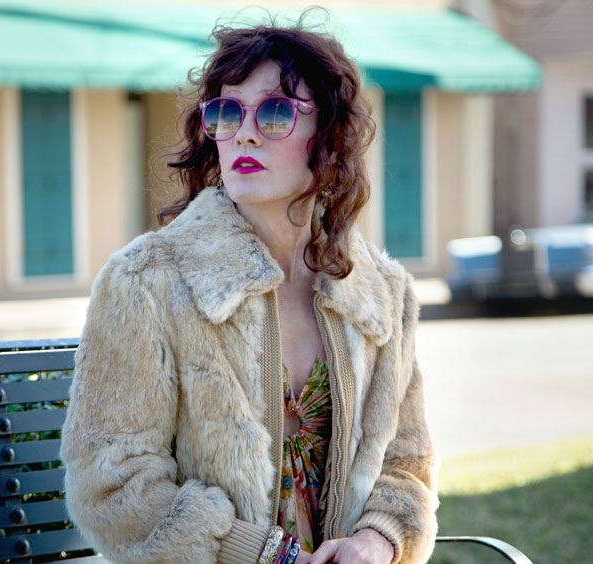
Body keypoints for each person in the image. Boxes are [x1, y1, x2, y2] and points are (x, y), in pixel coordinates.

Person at [60, 14, 438, 564]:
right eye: (227, 111)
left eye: (276, 111)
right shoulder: (147, 281)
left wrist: (375, 541)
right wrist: (262, 555)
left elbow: (407, 467)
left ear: (330, 135)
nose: (245, 132)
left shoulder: (383, 294)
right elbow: (111, 485)